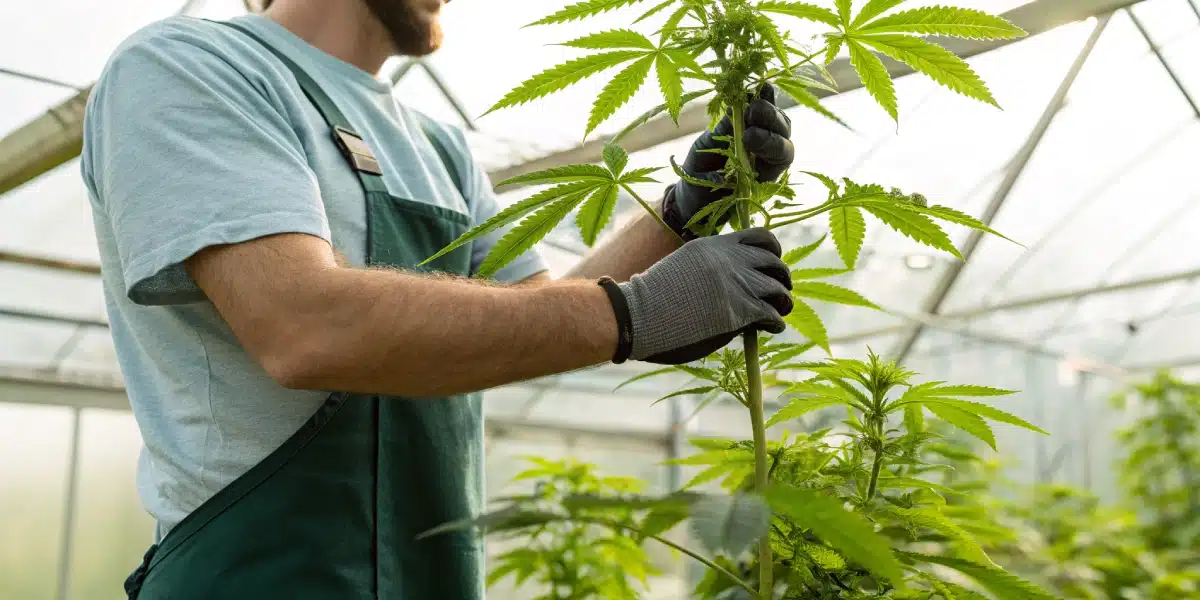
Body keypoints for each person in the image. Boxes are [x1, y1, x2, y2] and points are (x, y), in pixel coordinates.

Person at [81, 0, 796, 597]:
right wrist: (637, 314)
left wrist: (679, 212)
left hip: (431, 576)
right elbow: (299, 326)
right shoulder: (191, 66)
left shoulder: (439, 147)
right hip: (259, 577)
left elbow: (544, 311)